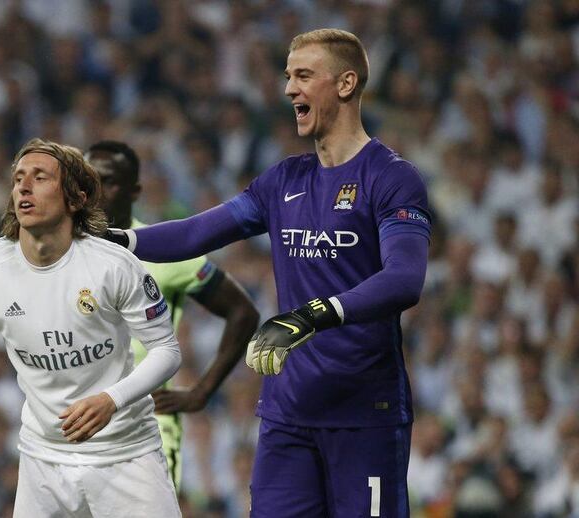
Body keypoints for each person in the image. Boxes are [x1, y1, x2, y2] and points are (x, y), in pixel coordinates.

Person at [106, 29, 431, 517]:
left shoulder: (389, 177)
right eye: (287, 77)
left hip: (364, 412)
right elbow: (197, 234)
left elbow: (405, 279)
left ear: (345, 83)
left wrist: (312, 315)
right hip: (288, 413)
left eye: (303, 75)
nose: (288, 89)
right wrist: (119, 240)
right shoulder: (283, 181)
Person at [0, 138, 182, 517]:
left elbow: (167, 351)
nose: (24, 186)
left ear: (75, 198)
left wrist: (112, 400)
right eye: (19, 178)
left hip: (126, 453)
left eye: (40, 178)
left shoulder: (113, 266)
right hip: (43, 459)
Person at [86, 140, 260, 488]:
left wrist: (201, 392)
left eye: (108, 181)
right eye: (88, 181)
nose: (96, 192)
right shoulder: (64, 253)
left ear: (134, 190)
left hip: (148, 423)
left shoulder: (160, 248)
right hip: (81, 422)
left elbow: (243, 312)